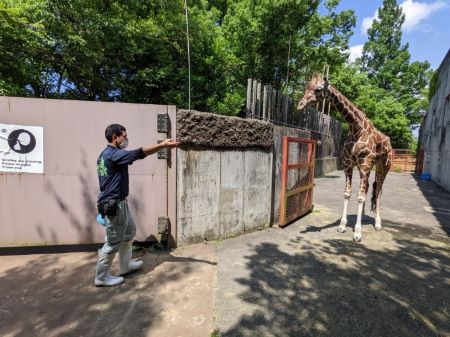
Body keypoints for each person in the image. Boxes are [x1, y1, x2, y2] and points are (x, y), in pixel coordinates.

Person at [94, 124, 178, 287]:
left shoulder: (105, 154)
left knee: (129, 231)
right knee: (113, 242)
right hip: (114, 205)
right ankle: (102, 276)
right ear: (115, 137)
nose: (126, 139)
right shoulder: (113, 154)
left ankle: (125, 266)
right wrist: (162, 145)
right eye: (124, 136)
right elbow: (138, 153)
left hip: (119, 202)